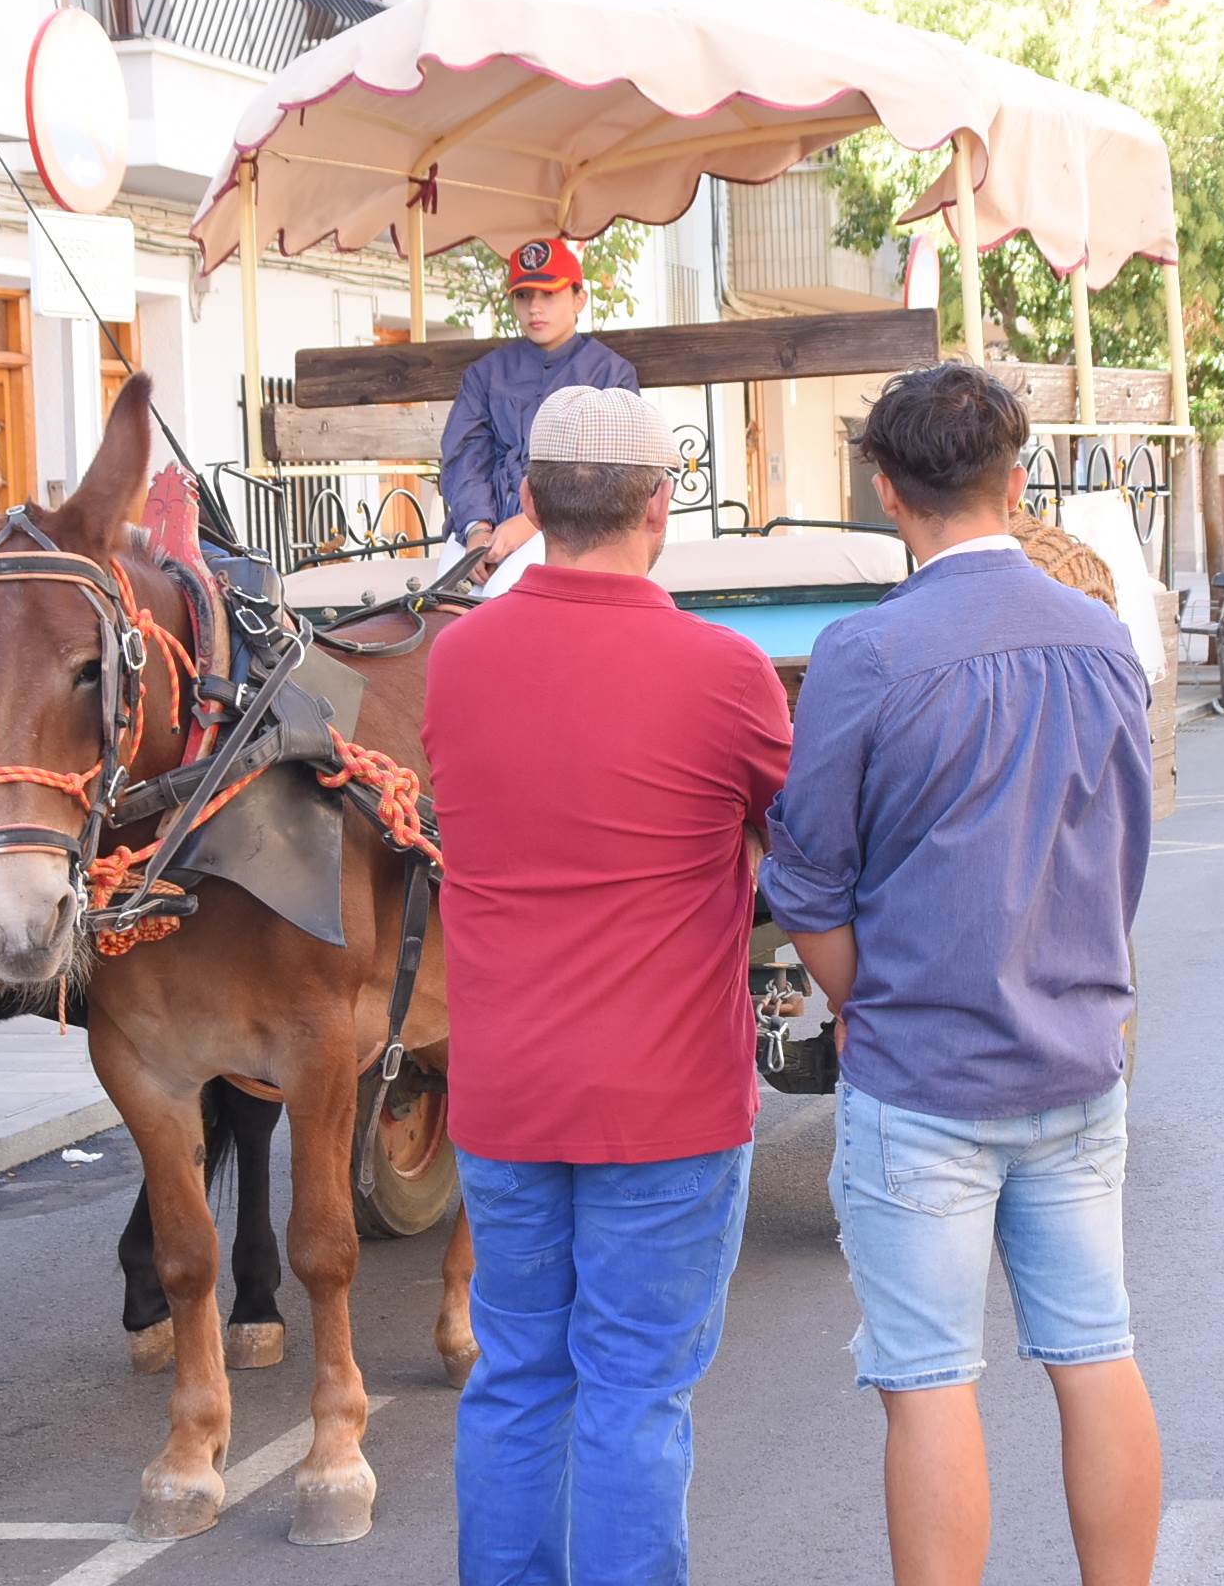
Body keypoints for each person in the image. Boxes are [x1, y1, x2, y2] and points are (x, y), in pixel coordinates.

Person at [762, 362, 1163, 1586]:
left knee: (929, 1383)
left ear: (886, 490)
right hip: (1077, 1059)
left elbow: (808, 881)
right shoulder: (1102, 639)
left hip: (920, 1072)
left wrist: (859, 1001)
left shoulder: (865, 653)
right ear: (1017, 478)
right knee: (1096, 1351)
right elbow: (1125, 850)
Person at [422, 383, 792, 1586]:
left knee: (519, 1374)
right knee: (636, 1393)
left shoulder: (458, 659)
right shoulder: (724, 671)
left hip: (505, 1094)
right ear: (661, 506)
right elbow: (802, 841)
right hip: (666, 1104)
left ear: (526, 503)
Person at [438, 236, 638, 591]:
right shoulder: (486, 373)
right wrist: (477, 528)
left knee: (506, 600)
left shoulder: (609, 374)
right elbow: (465, 455)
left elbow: (610, 472)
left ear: (579, 298)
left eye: (549, 294)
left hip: (567, 532)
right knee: (443, 604)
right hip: (481, 534)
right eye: (523, 295)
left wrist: (532, 522)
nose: (534, 308)